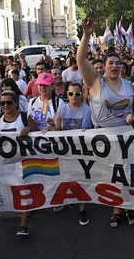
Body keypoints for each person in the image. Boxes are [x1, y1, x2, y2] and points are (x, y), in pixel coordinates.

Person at [77, 19, 134, 229]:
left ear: (122, 67)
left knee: (128, 172)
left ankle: (129, 205)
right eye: (110, 63)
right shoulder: (96, 82)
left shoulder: (128, 85)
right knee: (112, 174)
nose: (115, 66)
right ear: (103, 67)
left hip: (127, 137)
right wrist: (86, 35)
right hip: (103, 138)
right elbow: (80, 59)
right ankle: (117, 208)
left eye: (118, 63)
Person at [0, 90, 38, 236]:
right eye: (2, 103)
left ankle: (23, 224)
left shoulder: (24, 117)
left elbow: (36, 131)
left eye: (9, 102)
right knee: (11, 189)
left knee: (22, 189)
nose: (6, 105)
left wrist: (29, 128)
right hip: (4, 163)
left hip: (23, 162)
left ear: (16, 103)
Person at [47, 83, 92, 225]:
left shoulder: (87, 110)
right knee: (65, 177)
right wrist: (51, 126)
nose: (74, 97)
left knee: (82, 179)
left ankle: (82, 208)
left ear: (81, 95)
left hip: (81, 150)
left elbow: (85, 131)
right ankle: (69, 199)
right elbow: (58, 129)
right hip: (65, 150)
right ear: (67, 94)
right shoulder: (62, 108)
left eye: (77, 94)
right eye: (71, 94)